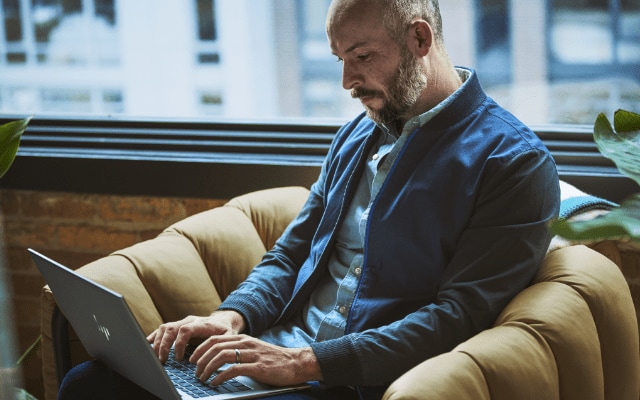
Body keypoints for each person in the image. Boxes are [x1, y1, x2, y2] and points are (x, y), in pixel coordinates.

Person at [58, 0, 560, 398]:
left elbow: (459, 318)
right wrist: (229, 317)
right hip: (275, 355)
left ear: (420, 38)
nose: (348, 82)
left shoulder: (513, 163)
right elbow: (289, 254)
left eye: (362, 57)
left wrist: (303, 364)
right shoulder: (355, 138)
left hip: (350, 381)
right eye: (341, 61)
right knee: (90, 383)